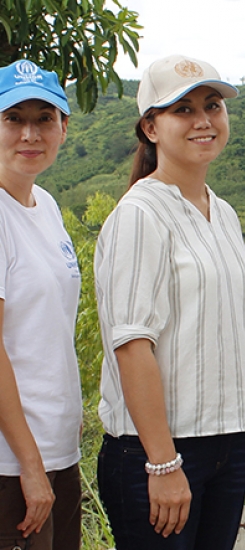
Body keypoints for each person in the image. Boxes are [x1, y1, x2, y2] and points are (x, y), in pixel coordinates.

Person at [94, 55, 245, 550]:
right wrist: (162, 463)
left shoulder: (223, 213)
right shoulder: (140, 214)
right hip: (160, 450)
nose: (204, 120)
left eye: (212, 106)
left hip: (227, 443)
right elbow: (131, 345)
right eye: (182, 110)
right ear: (151, 127)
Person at [0, 59, 82, 550]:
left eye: (44, 118)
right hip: (12, 466)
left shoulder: (45, 206)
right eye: (14, 118)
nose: (30, 133)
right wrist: (29, 466)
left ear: (64, 128)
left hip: (56, 452)